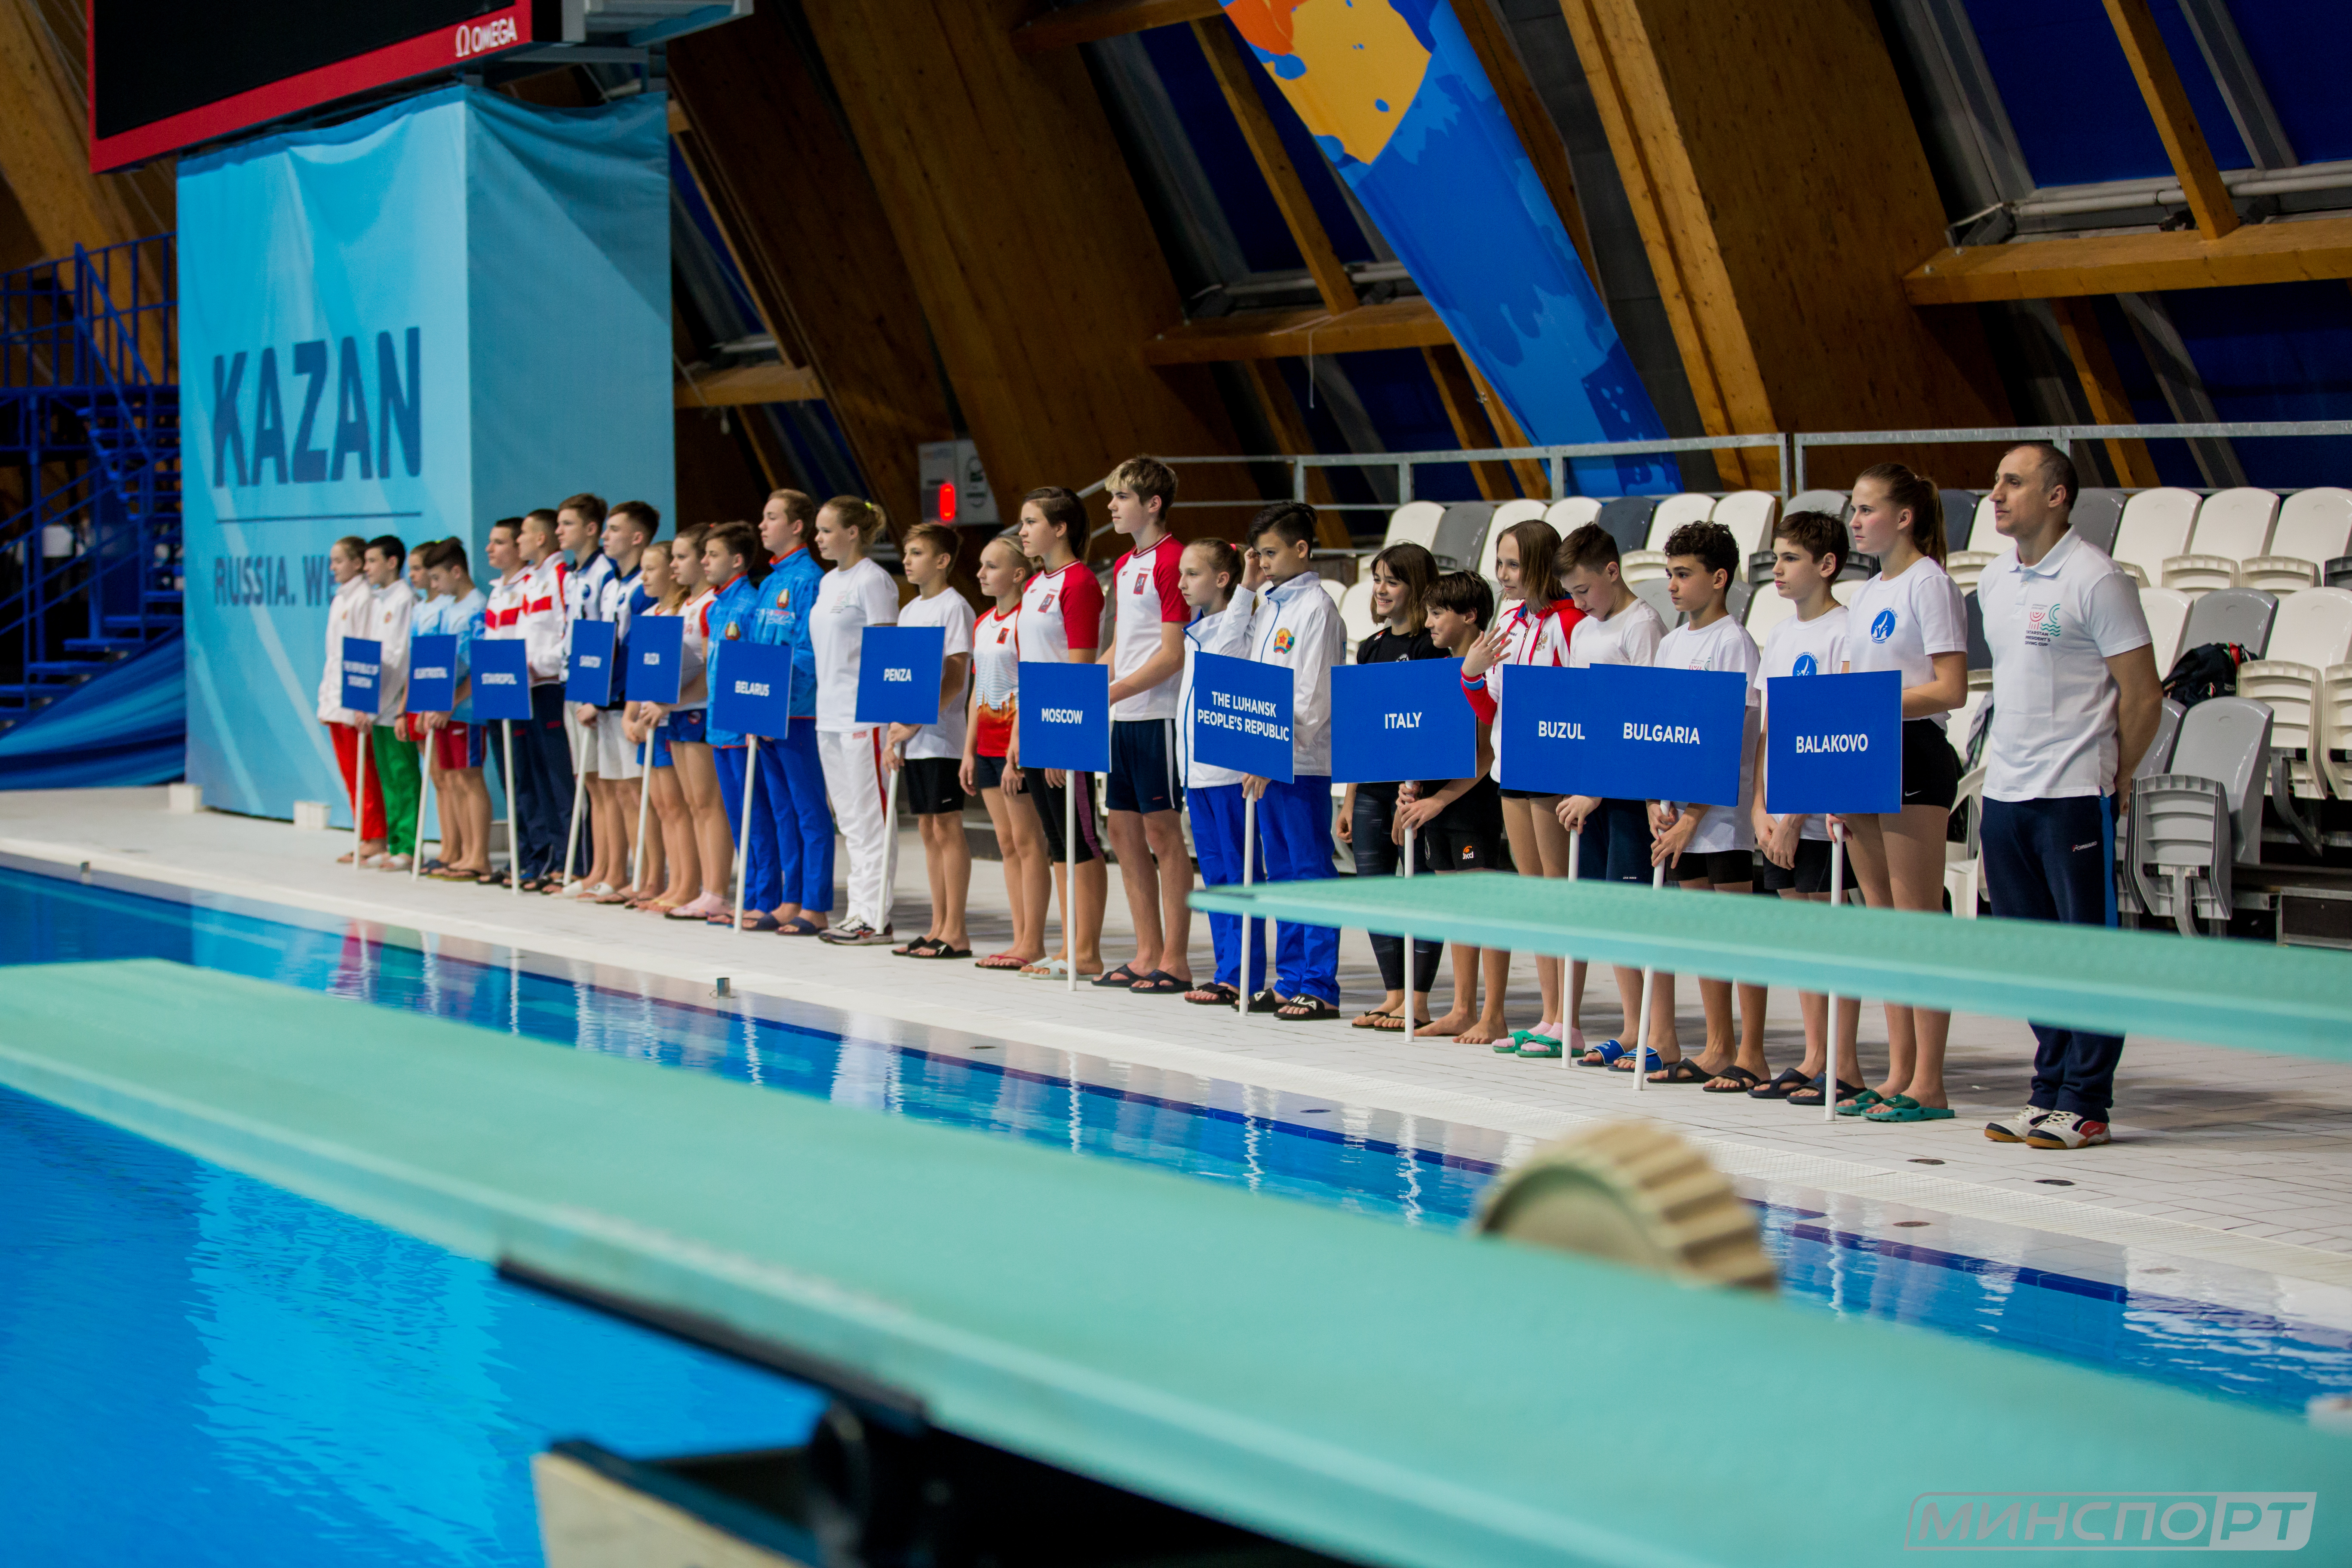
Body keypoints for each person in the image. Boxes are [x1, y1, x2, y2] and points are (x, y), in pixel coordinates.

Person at [1977, 442, 2163, 1151]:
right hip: (2006, 792)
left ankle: (2087, 1100)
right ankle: (2048, 1089)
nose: (1995, 494)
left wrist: (2113, 777)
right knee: (2031, 953)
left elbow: (2143, 696)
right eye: (1996, 481)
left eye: (2014, 482)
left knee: (2085, 949)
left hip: (2073, 793)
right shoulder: (1995, 579)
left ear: (2057, 496)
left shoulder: (2096, 578)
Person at [1839, 463, 1968, 1123]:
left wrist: (1867, 701)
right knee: (1884, 922)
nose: (1854, 519)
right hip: (1860, 752)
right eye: (1853, 509)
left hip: (1912, 749)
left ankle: (1930, 1081)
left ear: (1904, 516)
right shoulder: (1865, 593)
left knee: (1918, 923)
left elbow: (1950, 688)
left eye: (1865, 509)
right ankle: (1896, 1070)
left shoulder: (1930, 584)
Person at [1635, 522, 1770, 1091]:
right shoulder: (1671, 643)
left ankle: (1752, 1051)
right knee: (1701, 934)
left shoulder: (1731, 641)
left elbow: (1731, 735)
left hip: (1721, 816)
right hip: (1679, 817)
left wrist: (1690, 815)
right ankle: (1716, 1045)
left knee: (1735, 935)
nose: (1671, 584)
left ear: (1718, 579)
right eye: (1668, 573)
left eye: (1682, 573)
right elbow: (1659, 729)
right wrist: (1654, 802)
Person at [1745, 511, 1861, 1105]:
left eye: (1789, 558)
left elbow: (1836, 727)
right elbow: (1768, 731)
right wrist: (1762, 806)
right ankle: (1816, 1055)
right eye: (1775, 557)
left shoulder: (1845, 630)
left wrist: (1794, 814)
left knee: (1829, 937)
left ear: (1826, 565)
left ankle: (1845, 1062)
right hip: (1781, 810)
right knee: (1800, 939)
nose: (1777, 569)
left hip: (1821, 816)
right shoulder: (1783, 635)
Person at [1460, 518, 1582, 1056]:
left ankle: (1568, 1019)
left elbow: (1576, 703)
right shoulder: (1506, 617)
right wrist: (1470, 673)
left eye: (1512, 564)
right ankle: (1549, 1014)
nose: (1501, 574)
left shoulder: (1569, 622)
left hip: (1553, 768)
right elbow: (1491, 709)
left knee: (1557, 892)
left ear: (1537, 564)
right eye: (1500, 562)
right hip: (1511, 766)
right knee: (1535, 894)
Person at [1553, 522, 1667, 1069]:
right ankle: (1630, 1023)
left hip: (1624, 794)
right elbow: (1586, 716)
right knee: (1606, 913)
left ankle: (1655, 1028)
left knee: (1631, 913)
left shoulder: (1642, 625)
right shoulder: (1582, 631)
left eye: (1583, 590)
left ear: (1612, 571)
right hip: (1592, 788)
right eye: (1571, 593)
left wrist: (1596, 790)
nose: (1578, 602)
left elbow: (1642, 719)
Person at [1242, 502, 1347, 1021]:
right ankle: (1289, 979)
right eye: (1258, 552)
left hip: (1301, 762)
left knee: (1309, 870)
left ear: (1301, 549)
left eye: (1270, 552)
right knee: (1281, 871)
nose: (1261, 562)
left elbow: (1313, 696)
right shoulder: (1270, 604)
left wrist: (1272, 751)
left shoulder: (1317, 609)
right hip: (1269, 761)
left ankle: (1320, 983)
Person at [1097, 456, 1196, 995]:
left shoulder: (1172, 560)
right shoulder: (1124, 564)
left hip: (1157, 714)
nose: (1111, 506)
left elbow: (1171, 654)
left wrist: (1113, 691)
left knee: (1162, 831)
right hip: (1124, 713)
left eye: (1121, 497)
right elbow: (1120, 646)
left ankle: (1176, 958)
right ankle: (1145, 952)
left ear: (1152, 503)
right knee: (1122, 830)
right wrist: (1089, 688)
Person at [1397, 571, 1510, 1043]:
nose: (1427, 623)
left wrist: (1440, 800)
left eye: (1437, 613)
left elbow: (1486, 752)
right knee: (1457, 908)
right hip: (1439, 803)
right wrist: (1413, 787)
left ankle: (1494, 1013)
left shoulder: (1481, 671)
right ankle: (1463, 1007)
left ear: (1469, 616)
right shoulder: (1438, 669)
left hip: (1471, 800)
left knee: (1483, 908)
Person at [1340, 541, 1443, 1032]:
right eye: (1377, 578)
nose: (1380, 589)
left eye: (1392, 580)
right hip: (1375, 788)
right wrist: (1351, 798)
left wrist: (1416, 792)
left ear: (1417, 587)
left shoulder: (1430, 647)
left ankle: (1419, 999)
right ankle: (1394, 994)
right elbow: (1362, 732)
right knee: (1376, 890)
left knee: (1418, 891)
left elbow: (1432, 726)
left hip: (1415, 792)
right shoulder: (1372, 647)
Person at [1011, 487, 1107, 980]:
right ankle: (1068, 944)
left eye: (1030, 522)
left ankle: (1086, 950)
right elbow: (1028, 667)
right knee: (1056, 841)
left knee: (1080, 838)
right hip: (1036, 728)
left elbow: (1079, 667)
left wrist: (1062, 740)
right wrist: (1018, 738)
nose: (1022, 531)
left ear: (1061, 527)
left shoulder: (1080, 583)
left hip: (1066, 729)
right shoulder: (1035, 586)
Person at [811, 496, 903, 946]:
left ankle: (876, 917)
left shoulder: (875, 581)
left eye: (826, 530)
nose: (819, 538)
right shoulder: (829, 581)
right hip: (827, 713)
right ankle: (857, 912)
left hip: (863, 716)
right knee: (848, 820)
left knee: (870, 819)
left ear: (852, 532)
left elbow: (886, 655)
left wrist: (886, 720)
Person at [1176, 538, 1262, 1008]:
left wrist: (1247, 588)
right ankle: (1228, 968)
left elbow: (1230, 655)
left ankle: (1242, 972)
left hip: (1228, 773)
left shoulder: (1238, 625)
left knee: (1239, 876)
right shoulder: (1199, 628)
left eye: (1193, 573)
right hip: (1198, 773)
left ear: (1223, 579)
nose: (1182, 582)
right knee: (1216, 878)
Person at [886, 522, 977, 958]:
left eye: (917, 552)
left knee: (946, 826)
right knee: (926, 828)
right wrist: (894, 731)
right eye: (906, 552)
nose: (907, 560)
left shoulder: (954, 607)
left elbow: (956, 680)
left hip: (941, 738)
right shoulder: (908, 611)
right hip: (914, 738)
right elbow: (902, 680)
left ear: (942, 561)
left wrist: (916, 723)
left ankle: (956, 930)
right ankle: (937, 924)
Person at [961, 534, 1050, 973]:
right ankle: (1019, 936)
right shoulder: (982, 622)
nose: (980, 573)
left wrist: (1017, 748)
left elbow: (1028, 682)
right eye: (981, 564)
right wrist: (968, 751)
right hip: (988, 744)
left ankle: (1032, 940)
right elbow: (979, 688)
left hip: (1017, 743)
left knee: (1028, 841)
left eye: (991, 566)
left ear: (1018, 574)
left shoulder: (1024, 621)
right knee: (1006, 842)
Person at [748, 489, 833, 936]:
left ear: (796, 526)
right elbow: (758, 653)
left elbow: (806, 650)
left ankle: (816, 904)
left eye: (772, 517)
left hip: (797, 713)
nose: (762, 526)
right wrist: (754, 707)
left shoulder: (808, 581)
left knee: (807, 810)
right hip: (769, 714)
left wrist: (777, 702)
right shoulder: (768, 584)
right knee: (782, 809)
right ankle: (791, 896)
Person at [581, 500, 656, 902]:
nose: (605, 537)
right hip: (608, 699)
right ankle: (617, 871)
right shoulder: (612, 585)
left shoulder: (644, 588)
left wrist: (624, 699)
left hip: (626, 699)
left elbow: (635, 650)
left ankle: (647, 876)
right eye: (605, 529)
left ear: (637, 537)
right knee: (615, 788)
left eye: (613, 530)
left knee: (634, 790)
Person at [661, 526, 735, 922]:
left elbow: (711, 669)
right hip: (677, 711)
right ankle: (697, 886)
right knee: (693, 804)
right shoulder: (681, 605)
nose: (675, 565)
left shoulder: (710, 605)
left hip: (700, 709)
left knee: (709, 804)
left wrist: (672, 700)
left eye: (682, 557)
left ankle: (716, 890)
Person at [700, 522, 771, 925]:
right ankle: (747, 894)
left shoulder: (749, 604)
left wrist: (752, 717)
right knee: (737, 816)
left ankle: (761, 897)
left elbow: (756, 664)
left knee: (755, 815)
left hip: (742, 725)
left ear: (738, 561)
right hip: (719, 722)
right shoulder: (717, 605)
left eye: (713, 555)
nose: (705, 562)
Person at [416, 540, 493, 882]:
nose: (434, 586)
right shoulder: (449, 609)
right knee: (455, 779)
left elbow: (479, 666)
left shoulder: (477, 608)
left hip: (468, 708)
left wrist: (452, 700)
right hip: (447, 708)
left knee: (470, 778)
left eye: (437, 577)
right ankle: (462, 851)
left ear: (456, 571)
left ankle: (479, 856)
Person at [508, 510, 574, 891]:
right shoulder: (533, 581)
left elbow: (566, 630)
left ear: (541, 539)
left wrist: (539, 665)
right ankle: (554, 857)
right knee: (538, 781)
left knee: (560, 781)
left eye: (524, 534)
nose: (519, 541)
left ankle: (572, 861)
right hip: (529, 687)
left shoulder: (561, 576)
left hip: (551, 687)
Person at [620, 535, 686, 909]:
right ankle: (668, 883)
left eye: (651, 569)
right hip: (648, 720)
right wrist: (631, 714)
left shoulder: (681, 615)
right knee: (662, 807)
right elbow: (641, 676)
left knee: (677, 807)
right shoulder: (649, 618)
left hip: (669, 720)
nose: (644, 577)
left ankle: (683, 884)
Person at [556, 493, 616, 897]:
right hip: (572, 682)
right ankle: (598, 866)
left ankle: (613, 869)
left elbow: (607, 636)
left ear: (591, 529)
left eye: (567, 525)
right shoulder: (571, 574)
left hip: (595, 689)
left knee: (606, 783)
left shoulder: (604, 574)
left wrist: (598, 693)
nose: (559, 532)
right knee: (589, 781)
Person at [316, 534, 385, 864]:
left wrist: (363, 702)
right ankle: (365, 832)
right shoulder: (340, 599)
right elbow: (333, 657)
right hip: (338, 700)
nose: (332, 568)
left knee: (364, 771)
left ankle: (375, 836)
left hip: (354, 701)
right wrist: (326, 700)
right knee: (351, 773)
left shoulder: (364, 599)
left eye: (339, 561)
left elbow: (365, 653)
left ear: (357, 563)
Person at [360, 535, 421, 872]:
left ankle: (409, 844)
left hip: (395, 699)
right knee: (388, 775)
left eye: (372, 561)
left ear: (392, 562)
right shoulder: (378, 600)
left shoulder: (404, 600)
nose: (367, 568)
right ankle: (395, 841)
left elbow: (401, 658)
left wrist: (393, 703)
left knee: (404, 773)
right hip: (378, 701)